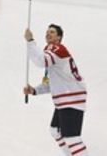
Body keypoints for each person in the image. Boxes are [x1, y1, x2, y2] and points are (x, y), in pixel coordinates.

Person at [23, 24, 89, 156]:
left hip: (71, 98)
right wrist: (34, 90)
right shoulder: (51, 51)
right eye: (47, 32)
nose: (48, 34)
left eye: (52, 32)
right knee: (55, 130)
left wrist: (30, 41)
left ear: (59, 37)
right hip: (66, 99)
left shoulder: (56, 49)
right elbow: (50, 83)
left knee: (72, 138)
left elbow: (40, 61)